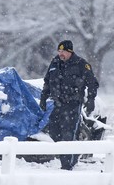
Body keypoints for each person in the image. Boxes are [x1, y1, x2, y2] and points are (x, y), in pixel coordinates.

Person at [39, 40, 99, 170]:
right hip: (58, 104)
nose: (61, 54)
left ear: (70, 52)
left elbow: (92, 83)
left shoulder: (81, 64)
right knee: (54, 131)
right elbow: (47, 81)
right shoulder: (55, 63)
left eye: (63, 52)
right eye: (59, 51)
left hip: (73, 104)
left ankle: (67, 166)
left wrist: (91, 100)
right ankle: (73, 154)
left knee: (68, 133)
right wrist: (43, 99)